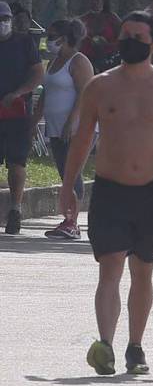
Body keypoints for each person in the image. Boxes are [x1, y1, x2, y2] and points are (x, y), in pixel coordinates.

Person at [59, 10, 153, 376]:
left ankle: (135, 345)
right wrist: (68, 185)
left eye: (138, 36)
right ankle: (105, 344)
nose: (129, 42)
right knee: (110, 267)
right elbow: (82, 139)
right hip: (109, 191)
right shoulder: (100, 86)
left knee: (143, 271)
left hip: (151, 193)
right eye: (125, 35)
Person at [32, 18, 94, 240]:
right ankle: (68, 219)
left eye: (51, 36)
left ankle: (72, 222)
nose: (48, 41)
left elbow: (85, 93)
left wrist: (71, 121)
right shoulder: (54, 62)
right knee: (64, 174)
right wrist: (34, 122)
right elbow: (46, 93)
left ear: (64, 38)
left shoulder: (78, 62)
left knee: (73, 172)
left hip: (76, 128)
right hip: (55, 127)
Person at [0, 0, 44, 235]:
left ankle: (15, 209)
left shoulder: (25, 42)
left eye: (4, 19)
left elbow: (38, 73)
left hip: (17, 112)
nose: (2, 24)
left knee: (17, 163)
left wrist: (18, 93)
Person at [80, 0, 122, 74]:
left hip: (110, 61)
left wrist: (108, 44)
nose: (93, 2)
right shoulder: (83, 19)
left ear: (103, 1)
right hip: (87, 60)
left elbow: (123, 38)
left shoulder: (112, 18)